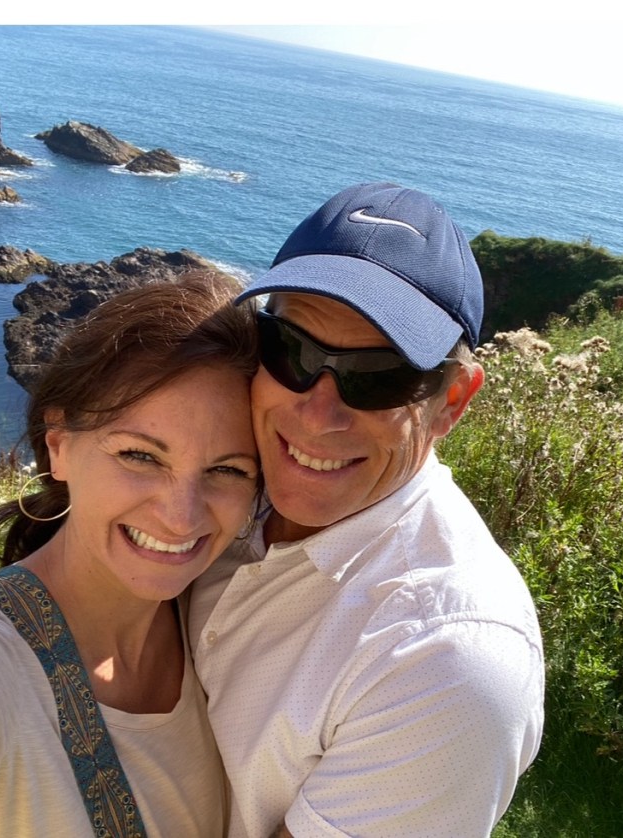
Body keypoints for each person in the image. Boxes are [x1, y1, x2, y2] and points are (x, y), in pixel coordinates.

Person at [0, 273, 260, 837]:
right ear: (58, 446)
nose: (181, 517)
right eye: (139, 456)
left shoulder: (229, 617)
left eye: (227, 469)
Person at [189, 182, 545, 838]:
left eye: (379, 376)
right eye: (290, 350)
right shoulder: (214, 476)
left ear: (452, 402)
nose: (318, 415)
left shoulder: (445, 659)